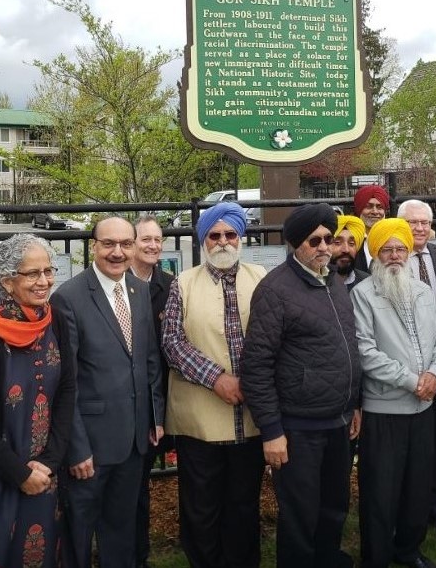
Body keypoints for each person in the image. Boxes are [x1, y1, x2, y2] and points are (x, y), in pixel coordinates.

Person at [241, 203, 361, 568]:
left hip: (338, 422)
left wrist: (354, 403)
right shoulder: (274, 290)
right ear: (296, 244)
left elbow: (346, 347)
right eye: (316, 240)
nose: (326, 246)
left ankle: (327, 559)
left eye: (331, 238)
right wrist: (272, 430)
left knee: (334, 506)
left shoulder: (333, 282)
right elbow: (256, 365)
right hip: (298, 428)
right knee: (300, 515)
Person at [50, 216, 164, 568]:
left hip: (133, 442)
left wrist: (155, 416)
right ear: (94, 247)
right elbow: (64, 381)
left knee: (122, 531)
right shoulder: (68, 298)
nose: (118, 252)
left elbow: (149, 361)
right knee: (79, 534)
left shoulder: (140, 291)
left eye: (125, 244)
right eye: (109, 244)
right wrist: (77, 448)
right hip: (90, 449)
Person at [161, 202, 267, 568]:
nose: (222, 241)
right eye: (214, 235)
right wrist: (216, 378)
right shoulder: (183, 283)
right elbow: (172, 342)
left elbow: (274, 338)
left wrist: (249, 381)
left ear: (241, 238)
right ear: (204, 240)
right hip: (200, 418)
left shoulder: (261, 278)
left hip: (251, 417)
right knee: (200, 507)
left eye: (230, 234)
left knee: (243, 503)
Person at [0, 234, 75, 568]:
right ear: (7, 281)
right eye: (31, 274)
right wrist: (19, 472)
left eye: (48, 270)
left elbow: (67, 390)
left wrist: (51, 461)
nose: (44, 281)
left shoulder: (55, 320)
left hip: (46, 475)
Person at [351, 218, 436, 568]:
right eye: (387, 250)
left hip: (423, 408)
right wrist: (413, 381)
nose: (394, 256)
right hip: (385, 411)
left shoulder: (423, 291)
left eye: (400, 249)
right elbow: (366, 353)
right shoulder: (362, 295)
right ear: (376, 254)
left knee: (417, 487)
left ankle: (408, 549)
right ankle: (376, 557)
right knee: (381, 491)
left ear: (409, 252)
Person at [397, 199, 436, 531]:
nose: (419, 228)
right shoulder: (391, 257)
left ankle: (434, 503)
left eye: (424, 222)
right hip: (403, 367)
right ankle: (405, 505)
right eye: (412, 222)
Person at [130, 215, 174, 568]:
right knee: (128, 486)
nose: (153, 245)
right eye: (146, 239)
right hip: (129, 399)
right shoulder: (116, 283)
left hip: (163, 397)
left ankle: (140, 553)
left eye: (158, 239)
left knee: (143, 482)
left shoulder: (170, 286)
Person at [353, 185, 389, 273]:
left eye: (379, 207)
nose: (375, 212)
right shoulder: (350, 239)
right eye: (368, 206)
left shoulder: (392, 237)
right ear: (359, 209)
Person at [331, 214, 369, 291]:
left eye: (351, 243)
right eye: (337, 242)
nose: (346, 249)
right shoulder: (316, 283)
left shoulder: (367, 282)